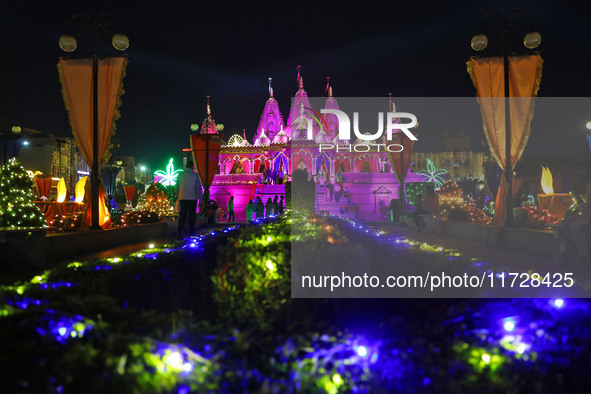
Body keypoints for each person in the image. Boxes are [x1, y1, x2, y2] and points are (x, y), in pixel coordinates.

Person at [559, 180, 591, 262]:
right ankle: (583, 246)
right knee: (563, 224)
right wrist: (580, 200)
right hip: (587, 214)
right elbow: (587, 204)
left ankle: (583, 254)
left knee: (575, 226)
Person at [176, 161, 202, 239]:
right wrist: (200, 200)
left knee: (182, 216)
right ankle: (192, 232)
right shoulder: (195, 175)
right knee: (192, 216)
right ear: (192, 167)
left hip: (182, 198)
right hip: (192, 198)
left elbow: (176, 187)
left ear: (186, 166)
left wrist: (178, 197)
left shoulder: (180, 175)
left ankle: (180, 231)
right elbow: (198, 189)